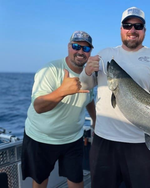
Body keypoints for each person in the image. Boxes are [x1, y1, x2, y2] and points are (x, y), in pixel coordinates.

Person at [80, 7, 150, 188]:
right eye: (127, 25)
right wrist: (86, 72)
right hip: (104, 141)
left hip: (140, 144)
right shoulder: (105, 55)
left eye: (138, 26)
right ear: (121, 28)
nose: (132, 30)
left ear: (144, 30)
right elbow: (84, 86)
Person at [21, 31, 96, 188]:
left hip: (72, 139)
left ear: (90, 52)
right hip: (41, 138)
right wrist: (62, 91)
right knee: (40, 181)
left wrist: (95, 120)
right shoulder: (50, 70)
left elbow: (89, 98)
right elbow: (38, 106)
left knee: (77, 181)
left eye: (86, 49)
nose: (81, 52)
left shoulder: (90, 74)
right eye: (76, 46)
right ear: (69, 47)